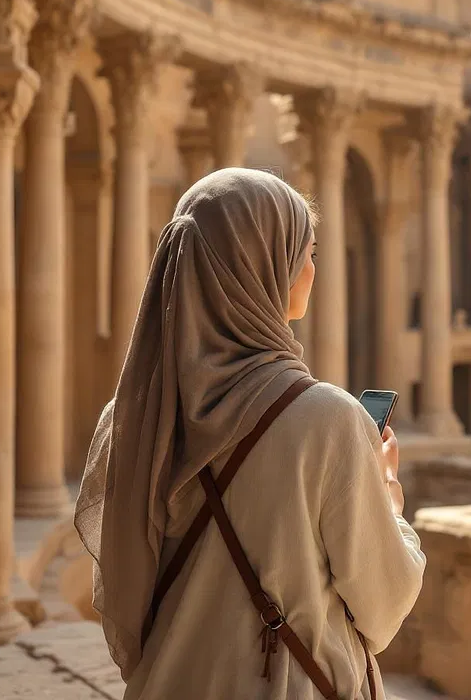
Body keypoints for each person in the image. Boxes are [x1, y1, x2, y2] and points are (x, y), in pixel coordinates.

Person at [74, 167, 425, 699]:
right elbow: (383, 604)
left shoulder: (127, 420)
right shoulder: (327, 419)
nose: (312, 268)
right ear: (262, 267)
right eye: (305, 252)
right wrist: (390, 500)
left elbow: (125, 594)